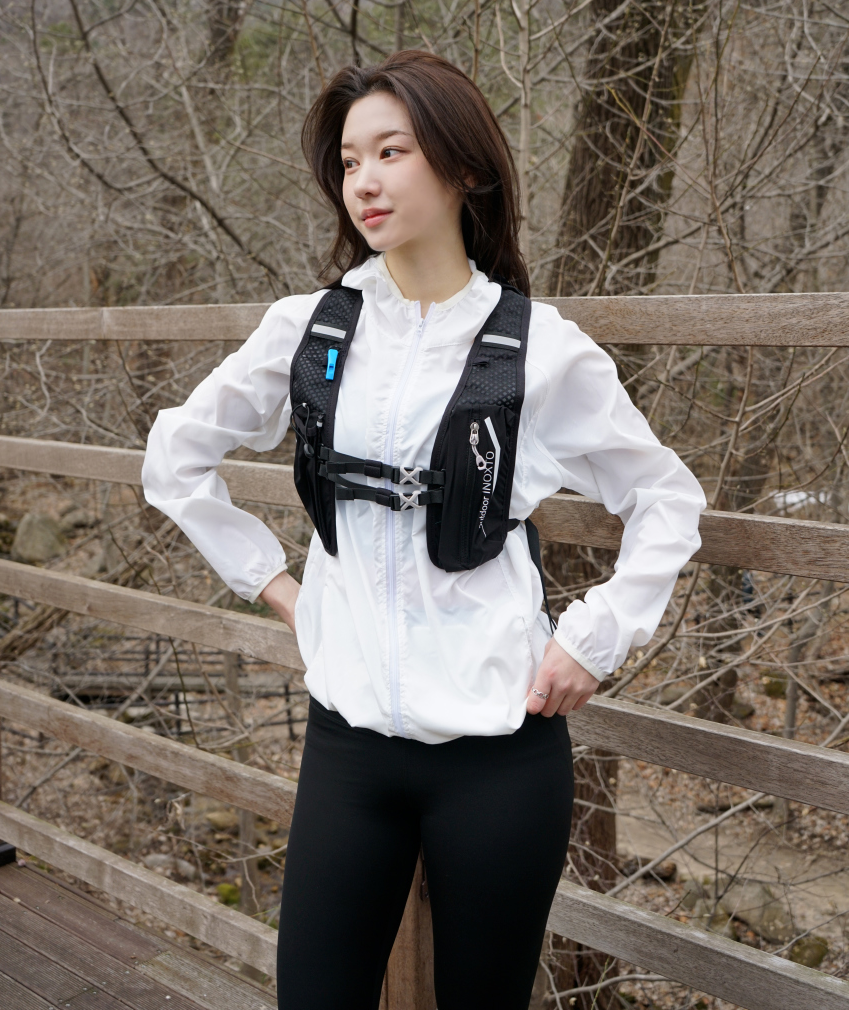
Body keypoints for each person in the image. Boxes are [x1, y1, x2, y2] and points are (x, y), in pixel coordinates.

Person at [141, 50, 705, 1009]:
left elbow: (667, 499)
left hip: (500, 752)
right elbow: (174, 457)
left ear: (464, 168)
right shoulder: (311, 331)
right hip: (349, 746)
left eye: (391, 151)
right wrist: (278, 587)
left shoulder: (539, 349)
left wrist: (593, 638)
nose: (363, 179)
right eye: (349, 160)